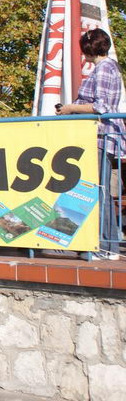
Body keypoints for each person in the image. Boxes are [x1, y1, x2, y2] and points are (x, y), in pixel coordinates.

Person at [57, 28, 125, 259]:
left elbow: (101, 106)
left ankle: (105, 246)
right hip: (100, 135)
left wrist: (70, 108)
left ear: (88, 49)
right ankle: (103, 244)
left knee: (98, 191)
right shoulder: (107, 68)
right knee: (97, 190)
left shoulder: (104, 68)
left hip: (100, 135)